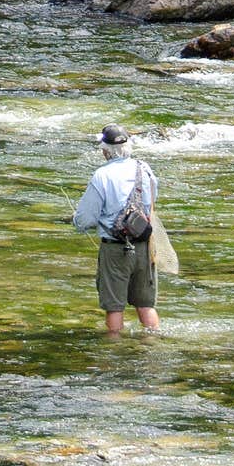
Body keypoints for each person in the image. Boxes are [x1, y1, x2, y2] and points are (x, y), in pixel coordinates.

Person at [71, 124, 161, 335]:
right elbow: (152, 201)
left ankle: (114, 353)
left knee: (114, 307)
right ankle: (152, 348)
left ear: (105, 150)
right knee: (146, 305)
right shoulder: (145, 169)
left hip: (115, 250)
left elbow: (85, 219)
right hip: (145, 247)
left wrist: (76, 221)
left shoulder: (101, 176)